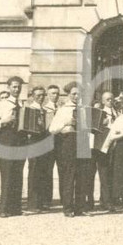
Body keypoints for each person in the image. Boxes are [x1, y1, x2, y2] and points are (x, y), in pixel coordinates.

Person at [0, 76, 27, 217]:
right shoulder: (3, 104)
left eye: (19, 87)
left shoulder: (21, 104)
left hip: (20, 142)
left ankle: (15, 208)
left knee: (18, 174)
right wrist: (3, 121)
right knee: (7, 174)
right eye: (14, 86)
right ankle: (3, 208)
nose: (17, 89)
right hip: (6, 141)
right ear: (8, 88)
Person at [49, 81, 89, 217]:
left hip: (82, 141)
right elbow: (52, 129)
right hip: (69, 142)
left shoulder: (83, 109)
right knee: (69, 176)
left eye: (79, 94)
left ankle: (80, 207)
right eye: (74, 94)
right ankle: (68, 208)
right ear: (68, 94)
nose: (76, 96)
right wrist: (66, 123)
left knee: (82, 176)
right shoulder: (63, 110)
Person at [24, 86, 49, 211]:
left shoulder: (44, 110)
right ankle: (32, 203)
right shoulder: (30, 109)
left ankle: (40, 202)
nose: (41, 97)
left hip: (43, 143)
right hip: (33, 143)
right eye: (38, 95)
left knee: (42, 172)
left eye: (42, 95)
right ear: (33, 96)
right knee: (34, 172)